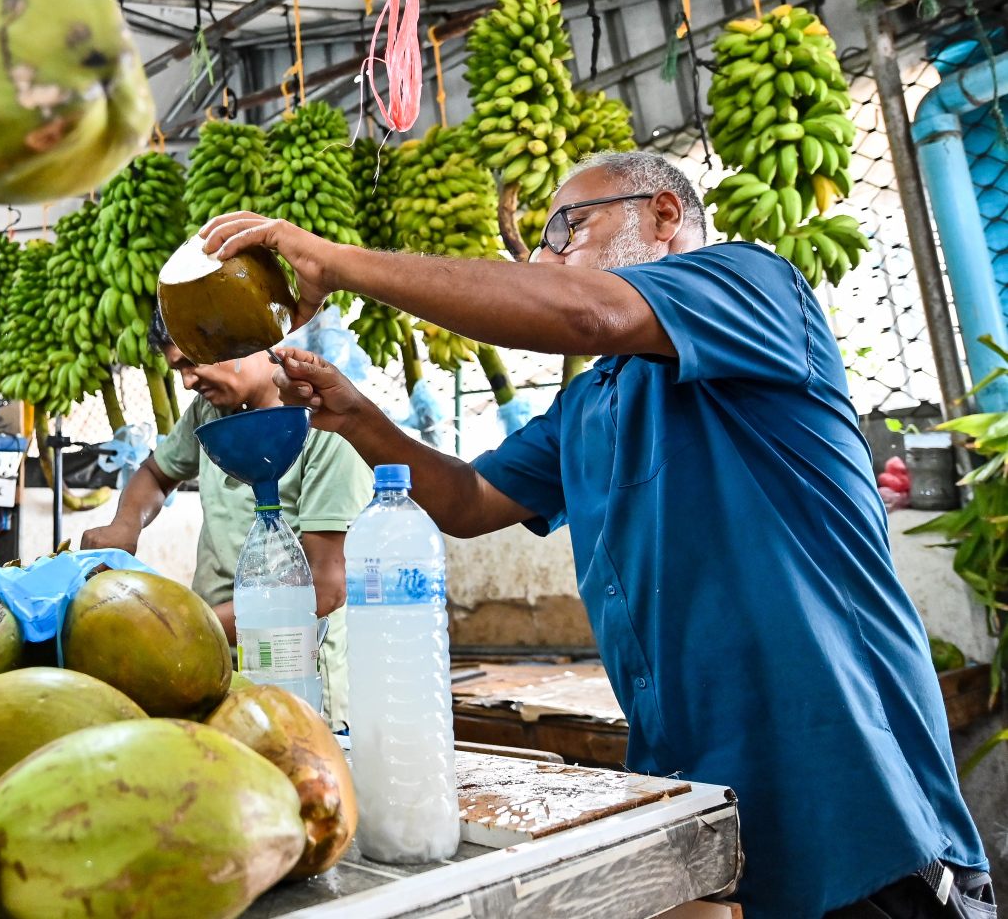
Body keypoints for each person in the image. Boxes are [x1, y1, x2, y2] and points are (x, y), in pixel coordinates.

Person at [197, 151, 993, 919]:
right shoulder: (592, 402)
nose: (543, 262)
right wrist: (359, 420)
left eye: (565, 230)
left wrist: (335, 263)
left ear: (665, 215)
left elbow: (589, 310)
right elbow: (470, 501)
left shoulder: (754, 284)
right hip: (697, 785)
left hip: (851, 785)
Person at [80, 313, 374, 729]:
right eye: (176, 368)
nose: (185, 382)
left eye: (188, 363)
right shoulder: (208, 413)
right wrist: (125, 524)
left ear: (235, 342)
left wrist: (183, 626)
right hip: (215, 668)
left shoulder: (325, 426)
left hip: (294, 683)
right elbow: (156, 473)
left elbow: (323, 590)